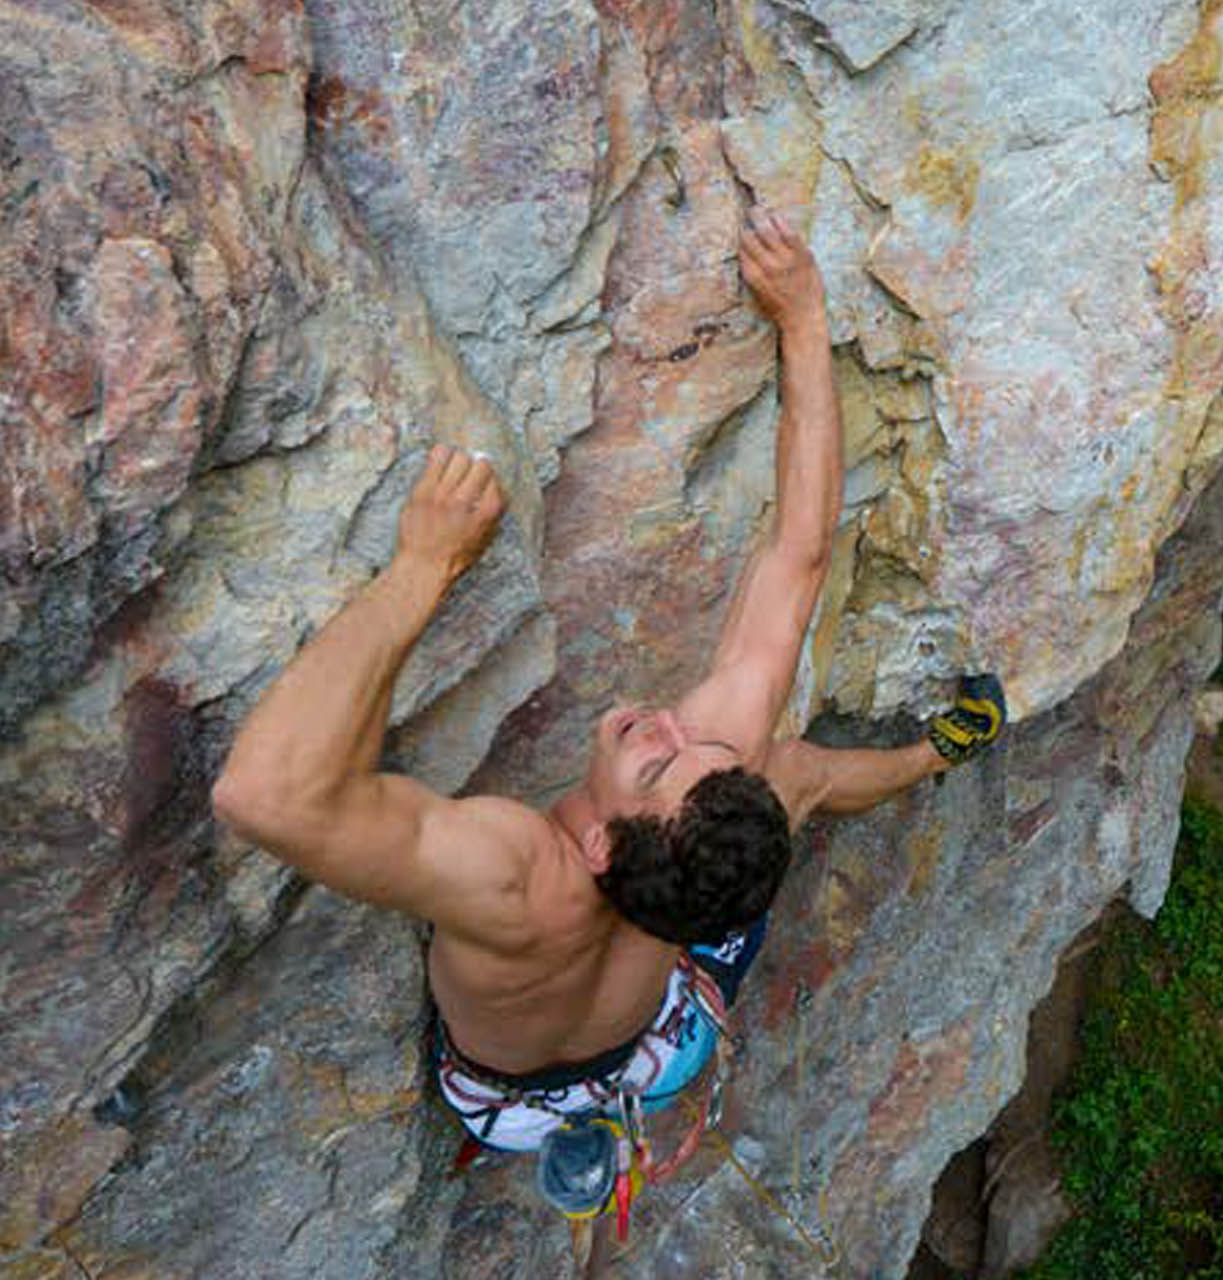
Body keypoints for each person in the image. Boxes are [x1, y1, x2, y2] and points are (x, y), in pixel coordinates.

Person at [211, 209, 1006, 1163]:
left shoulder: (515, 878)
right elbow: (797, 558)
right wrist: (801, 317)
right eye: (693, 744)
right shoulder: (702, 777)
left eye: (655, 761)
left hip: (504, 1107)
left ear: (594, 843)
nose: (665, 724)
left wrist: (421, 569)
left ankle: (928, 754)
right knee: (790, 773)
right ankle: (935, 752)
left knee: (785, 773)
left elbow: (263, 797)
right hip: (661, 1048)